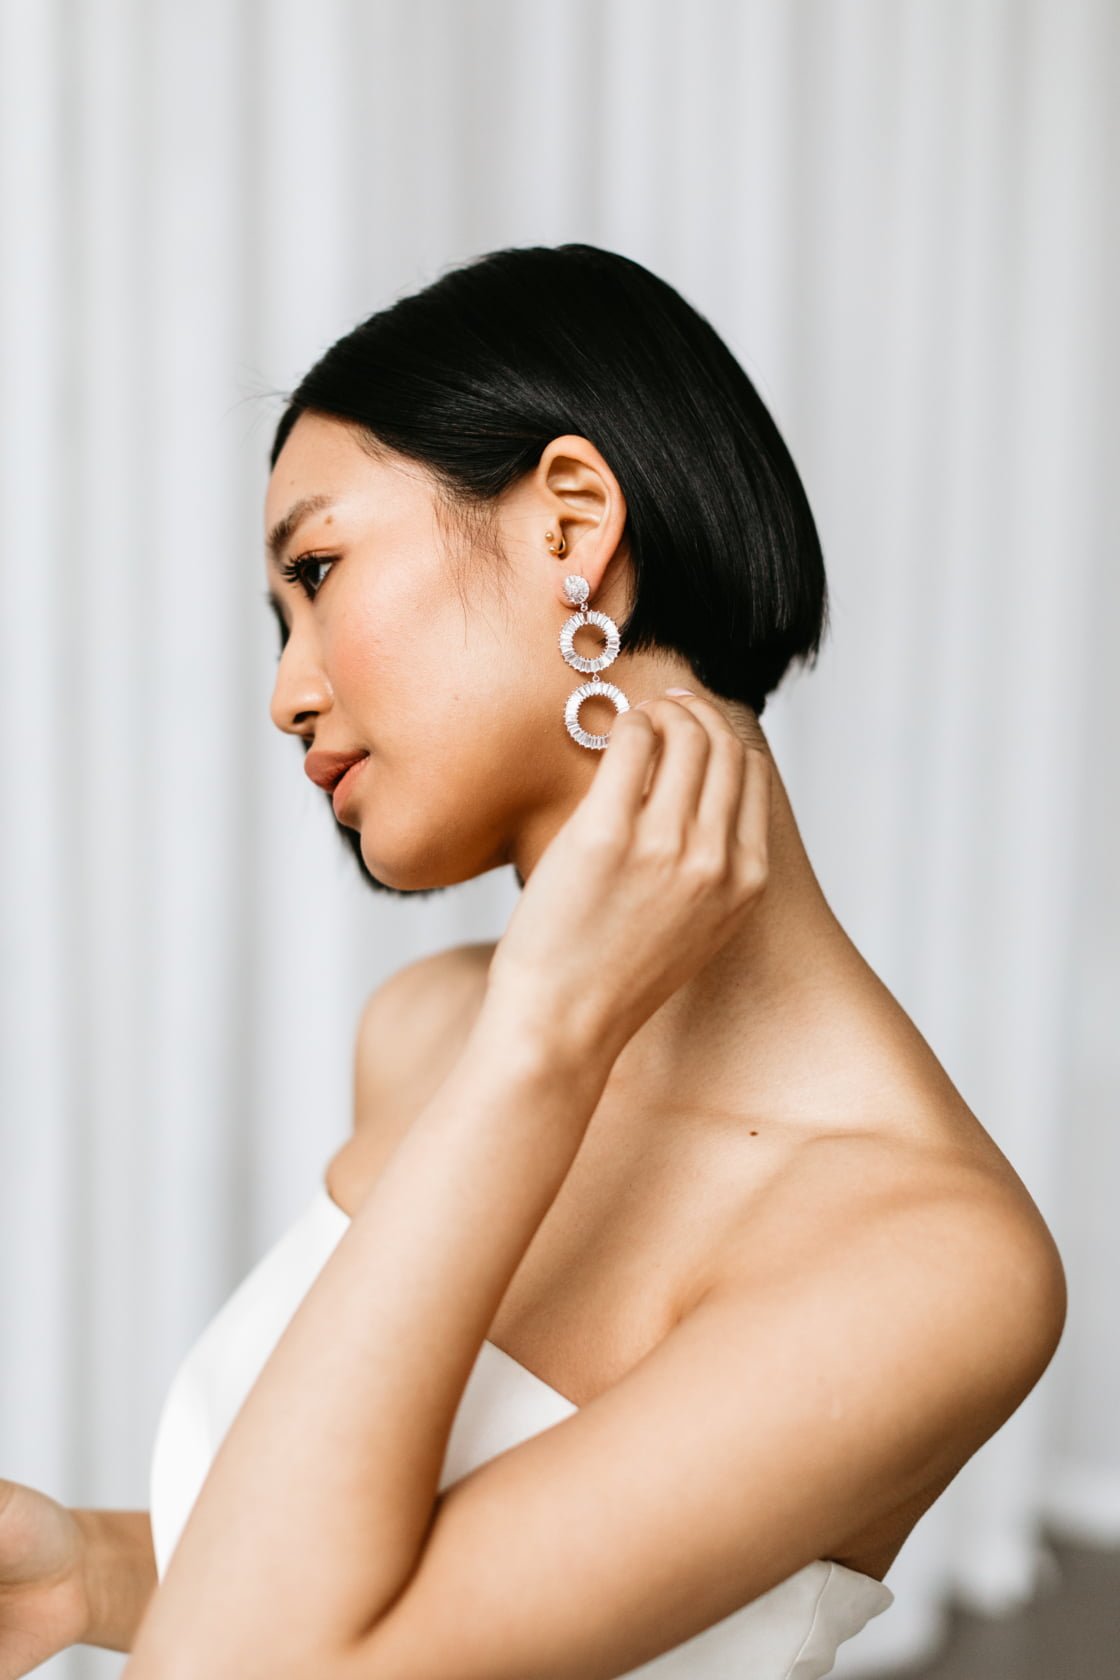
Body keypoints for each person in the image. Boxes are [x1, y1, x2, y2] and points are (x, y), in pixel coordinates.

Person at [0, 244, 1066, 1678]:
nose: (287, 692)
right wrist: (97, 1567)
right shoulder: (427, 1033)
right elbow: (346, 1573)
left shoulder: (931, 1261)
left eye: (318, 572)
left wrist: (542, 1050)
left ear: (572, 522)